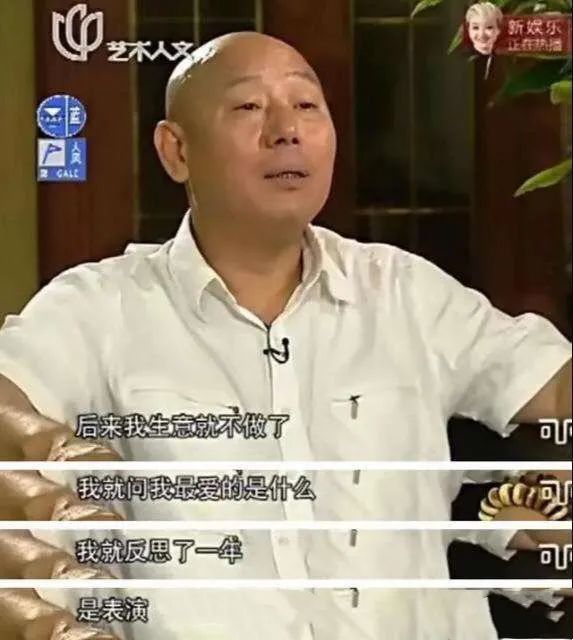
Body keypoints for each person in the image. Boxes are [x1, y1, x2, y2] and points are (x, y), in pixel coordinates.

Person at [0, 31, 570, 463]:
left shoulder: (406, 292)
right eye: (248, 107)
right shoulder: (98, 308)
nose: (286, 130)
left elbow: (552, 386)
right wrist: (53, 467)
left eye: (306, 105)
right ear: (176, 151)